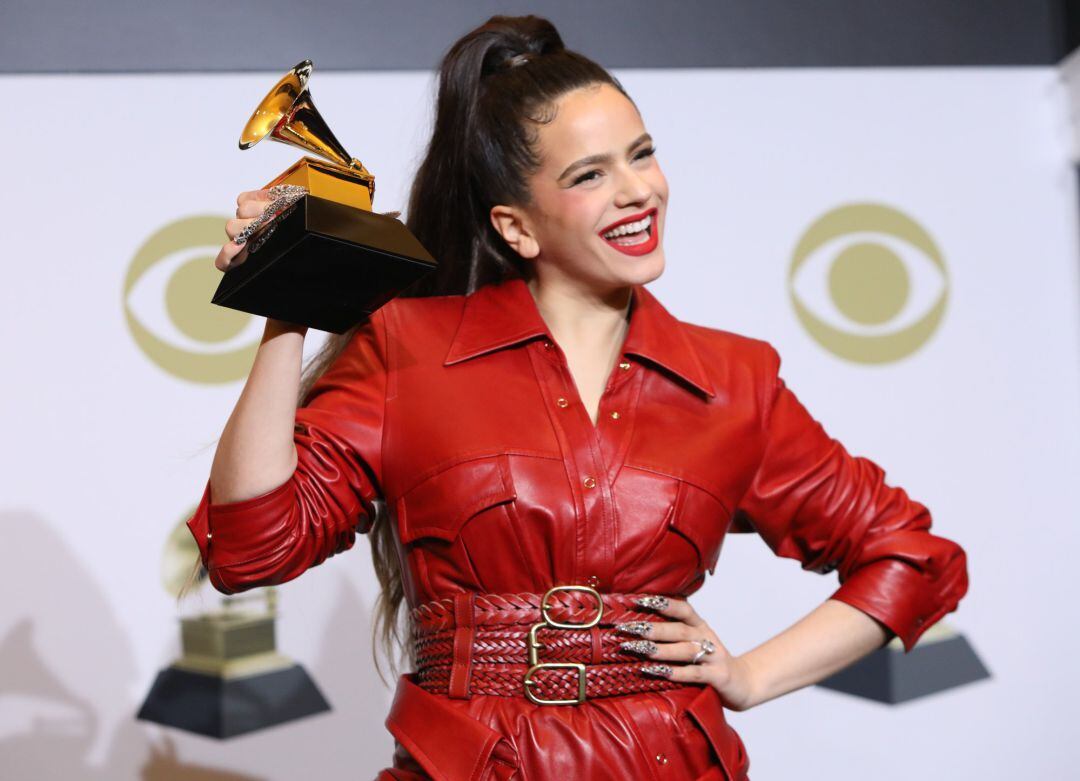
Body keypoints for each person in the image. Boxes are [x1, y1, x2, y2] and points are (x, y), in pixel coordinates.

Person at [185, 14, 969, 781]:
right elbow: (252, 545)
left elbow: (911, 555)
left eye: (643, 155)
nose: (638, 192)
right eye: (589, 175)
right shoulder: (407, 346)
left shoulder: (735, 380)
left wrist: (751, 676)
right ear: (516, 227)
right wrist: (290, 298)